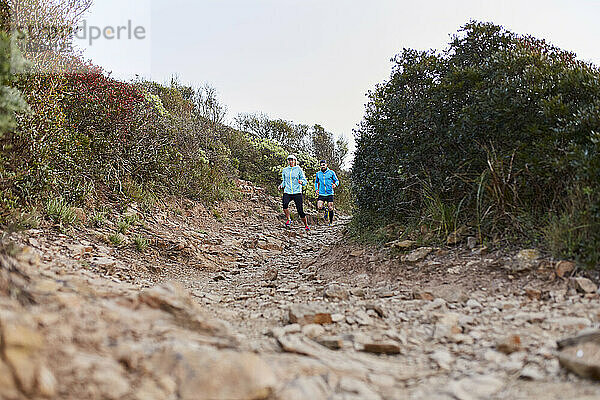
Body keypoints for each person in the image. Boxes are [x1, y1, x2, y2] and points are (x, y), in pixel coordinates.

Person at [279, 154, 310, 231]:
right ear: (288, 161)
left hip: (297, 192)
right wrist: (281, 185)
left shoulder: (299, 169)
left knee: (300, 211)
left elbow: (305, 181)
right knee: (284, 204)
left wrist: (302, 181)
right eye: (289, 160)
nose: (291, 161)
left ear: (295, 161)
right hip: (288, 191)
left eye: (292, 160)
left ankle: (306, 225)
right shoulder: (285, 170)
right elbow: (284, 181)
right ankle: (289, 219)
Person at [314, 160, 339, 226]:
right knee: (319, 206)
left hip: (329, 193)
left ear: (326, 165)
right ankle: (325, 210)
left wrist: (335, 184)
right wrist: (316, 189)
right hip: (322, 193)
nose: (323, 166)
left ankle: (330, 222)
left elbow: (337, 180)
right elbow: (316, 182)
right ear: (320, 165)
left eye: (324, 164)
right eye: (321, 165)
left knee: (330, 207)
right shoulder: (318, 173)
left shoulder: (331, 172)